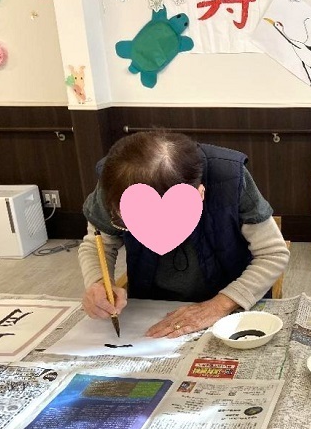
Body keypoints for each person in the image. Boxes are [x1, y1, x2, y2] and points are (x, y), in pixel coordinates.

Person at [78, 131, 290, 337]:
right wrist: (99, 283)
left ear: (200, 193)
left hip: (231, 303)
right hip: (150, 306)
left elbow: (273, 253)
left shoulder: (230, 176)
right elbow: (97, 245)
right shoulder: (114, 181)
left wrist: (220, 305)